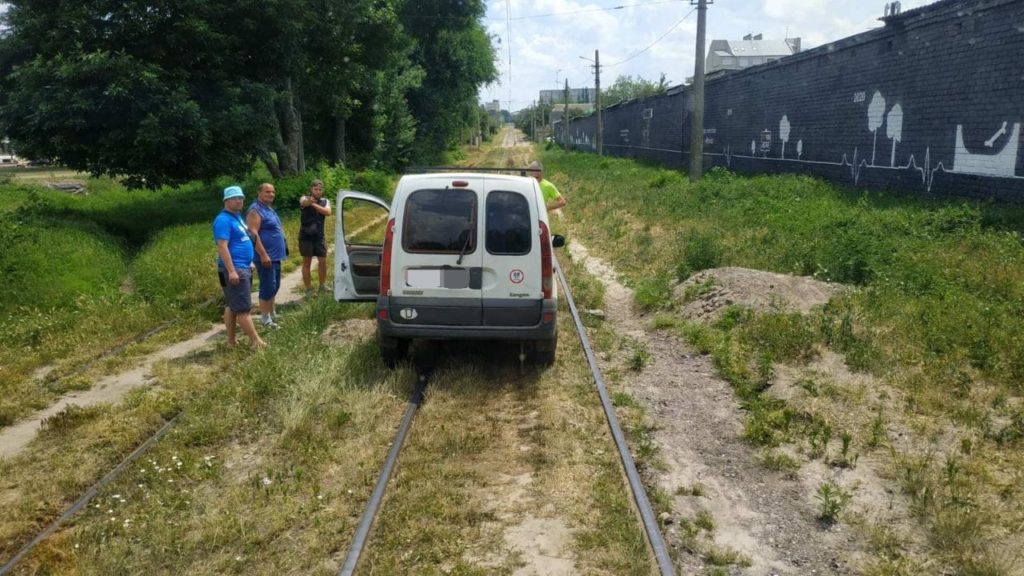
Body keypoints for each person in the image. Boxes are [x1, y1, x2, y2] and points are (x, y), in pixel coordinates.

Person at [213, 185, 266, 349]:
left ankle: (231, 342)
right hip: (235, 269)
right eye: (235, 198)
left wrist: (250, 260)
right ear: (226, 201)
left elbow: (244, 239)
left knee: (232, 305)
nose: (239, 201)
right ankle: (256, 341)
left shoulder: (236, 217)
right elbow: (222, 246)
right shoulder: (223, 220)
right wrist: (231, 271)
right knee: (243, 308)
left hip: (243, 266)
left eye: (241, 198)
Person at [247, 182, 287, 329]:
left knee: (275, 285)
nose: (271, 194)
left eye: (272, 192)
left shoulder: (268, 209)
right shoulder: (255, 210)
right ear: (259, 193)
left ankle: (271, 312)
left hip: (275, 256)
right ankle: (265, 319)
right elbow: (253, 233)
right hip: (265, 256)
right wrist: (263, 254)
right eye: (267, 192)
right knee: (268, 286)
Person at [298, 179, 332, 297]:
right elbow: (304, 203)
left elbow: (327, 212)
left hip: (319, 236)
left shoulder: (325, 201)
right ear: (311, 189)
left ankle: (322, 286)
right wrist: (310, 202)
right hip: (306, 236)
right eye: (315, 189)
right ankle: (308, 289)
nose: (317, 191)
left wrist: (313, 204)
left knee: (322, 262)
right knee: (306, 263)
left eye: (320, 189)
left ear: (322, 191)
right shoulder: (304, 198)